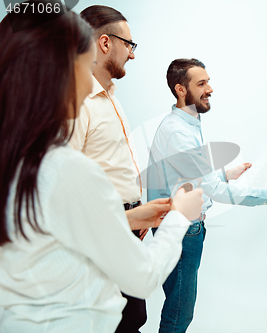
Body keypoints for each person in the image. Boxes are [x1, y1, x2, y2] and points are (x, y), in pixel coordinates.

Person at [0, 2, 204, 332]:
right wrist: (180, 214)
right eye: (82, 65)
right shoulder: (64, 167)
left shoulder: (19, 161)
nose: (86, 80)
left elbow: (54, 226)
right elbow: (143, 276)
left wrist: (125, 217)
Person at [147, 58, 267, 332]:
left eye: (209, 81)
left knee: (179, 310)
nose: (210, 89)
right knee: (178, 315)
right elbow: (214, 192)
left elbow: (191, 179)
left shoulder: (187, 125)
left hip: (183, 229)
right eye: (202, 83)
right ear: (181, 89)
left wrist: (223, 174)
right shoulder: (178, 132)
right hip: (182, 231)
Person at [69, 5, 149, 332]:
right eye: (129, 45)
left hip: (127, 230)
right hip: (102, 239)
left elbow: (111, 168)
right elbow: (63, 191)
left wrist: (137, 210)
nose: (133, 55)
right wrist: (125, 219)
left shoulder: (112, 95)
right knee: (113, 323)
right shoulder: (77, 101)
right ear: (105, 43)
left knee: (133, 318)